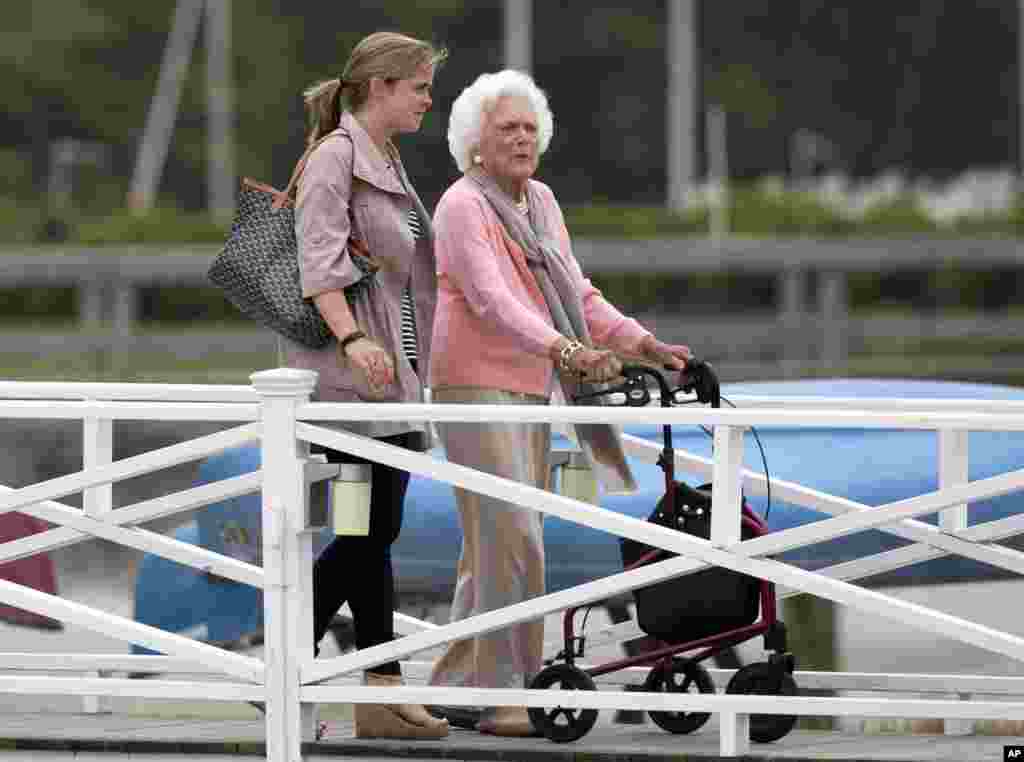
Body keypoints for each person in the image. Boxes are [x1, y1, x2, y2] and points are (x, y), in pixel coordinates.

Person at [426, 69, 693, 737]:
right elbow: (494, 301)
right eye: (505, 128)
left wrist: (641, 343)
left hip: (530, 385)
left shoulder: (540, 201)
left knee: (496, 544)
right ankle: (504, 695)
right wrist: (567, 353)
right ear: (474, 146)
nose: (521, 138)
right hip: (471, 384)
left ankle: (455, 686)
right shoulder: (461, 205)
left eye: (528, 127)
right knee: (512, 537)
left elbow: (579, 292)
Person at [287, 31, 449, 740]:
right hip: (352, 378)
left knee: (375, 532)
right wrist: (354, 341)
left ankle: (378, 687)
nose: (427, 98)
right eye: (418, 85)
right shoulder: (334, 159)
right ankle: (293, 662)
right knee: (365, 529)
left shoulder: (383, 156)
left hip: (397, 372)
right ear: (380, 85)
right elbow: (318, 268)